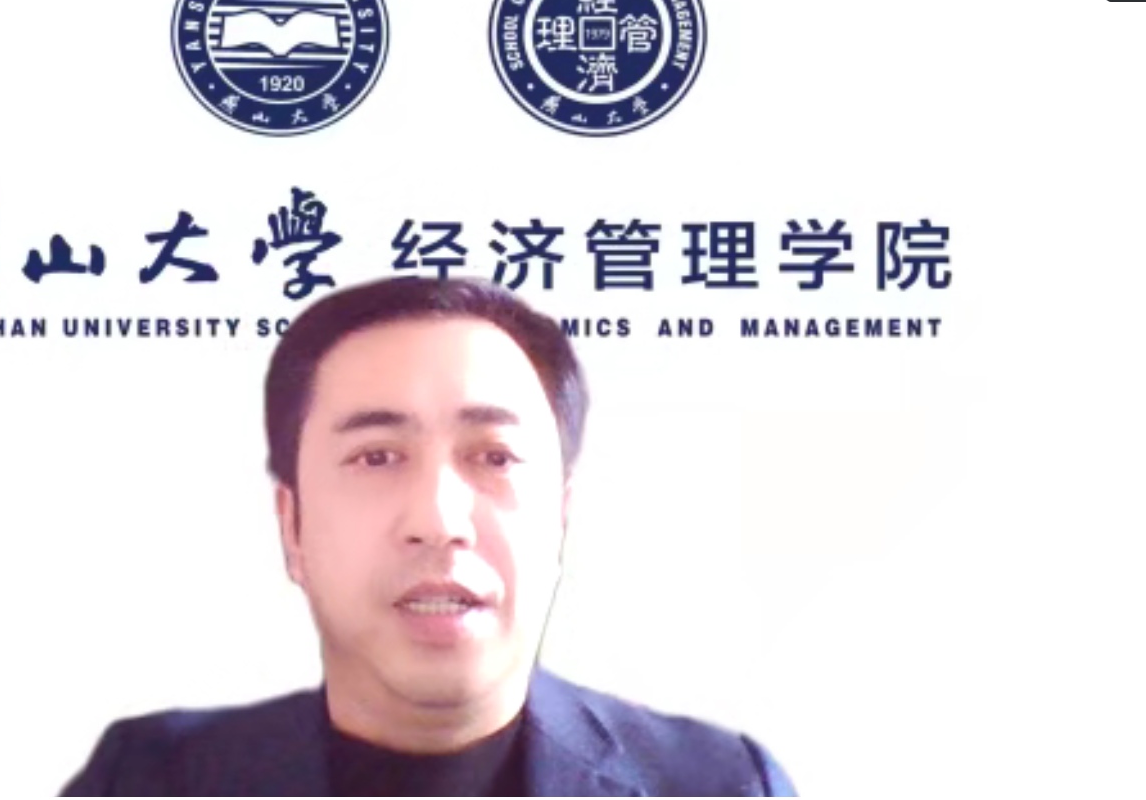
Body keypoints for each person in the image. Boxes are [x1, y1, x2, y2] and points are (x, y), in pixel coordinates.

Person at [61, 276, 795, 796]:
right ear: (293, 526)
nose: (439, 521)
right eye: (377, 457)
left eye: (495, 458)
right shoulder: (149, 779)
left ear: (560, 518)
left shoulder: (719, 785)